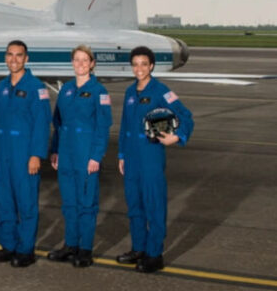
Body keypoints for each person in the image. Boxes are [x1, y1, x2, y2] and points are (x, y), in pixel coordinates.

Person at [115, 45, 194, 273]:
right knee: (134, 206)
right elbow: (124, 127)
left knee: (154, 206)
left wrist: (177, 137)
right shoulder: (131, 92)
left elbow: (186, 116)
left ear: (151, 66)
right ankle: (139, 248)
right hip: (131, 157)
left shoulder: (161, 91)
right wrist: (121, 154)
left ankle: (154, 254)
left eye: (144, 64)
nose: (139, 68)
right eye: (135, 64)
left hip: (150, 155)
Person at [46, 45, 112, 268]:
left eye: (85, 60)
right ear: (72, 63)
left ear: (92, 64)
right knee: (69, 204)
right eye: (77, 60)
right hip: (66, 154)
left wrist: (96, 156)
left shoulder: (99, 91)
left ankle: (85, 250)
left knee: (87, 204)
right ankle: (70, 245)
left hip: (86, 156)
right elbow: (58, 123)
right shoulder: (65, 90)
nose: (81, 64)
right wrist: (54, 150)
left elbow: (103, 127)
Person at [0, 40, 51, 268]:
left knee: (26, 203)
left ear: (26, 58)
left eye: (19, 55)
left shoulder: (36, 87)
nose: (14, 59)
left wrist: (36, 155)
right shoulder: (1, 87)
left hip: (24, 153)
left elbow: (42, 123)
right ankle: (8, 245)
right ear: (6, 57)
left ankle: (25, 250)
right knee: (4, 201)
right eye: (10, 55)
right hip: (3, 151)